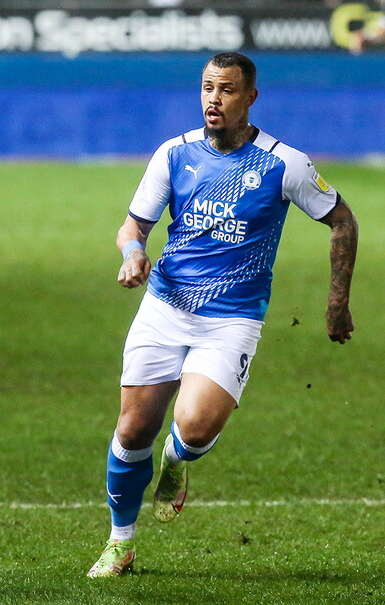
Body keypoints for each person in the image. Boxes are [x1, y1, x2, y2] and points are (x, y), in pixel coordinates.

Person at [86, 51, 359, 578]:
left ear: (250, 98)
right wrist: (132, 255)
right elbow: (132, 227)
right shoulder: (173, 153)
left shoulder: (285, 164)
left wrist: (337, 304)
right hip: (165, 306)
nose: (215, 98)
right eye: (208, 87)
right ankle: (120, 543)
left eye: (227, 89)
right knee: (132, 429)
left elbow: (343, 221)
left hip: (232, 318)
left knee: (194, 425)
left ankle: (177, 460)